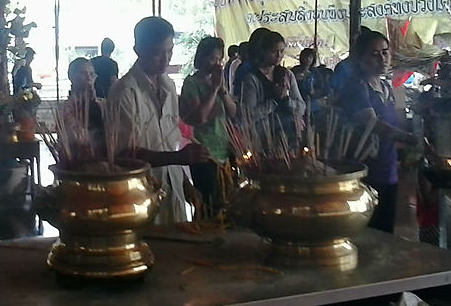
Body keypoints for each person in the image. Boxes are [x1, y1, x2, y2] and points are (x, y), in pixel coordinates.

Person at [107, 17, 210, 224]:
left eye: (169, 51)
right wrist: (177, 157)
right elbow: (124, 155)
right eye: (157, 53)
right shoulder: (124, 92)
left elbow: (169, 141)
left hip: (173, 191)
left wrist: (186, 185)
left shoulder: (169, 86)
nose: (165, 59)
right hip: (140, 197)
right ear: (138, 50)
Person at [335, 29, 416, 234]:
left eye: (385, 52)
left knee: (386, 228)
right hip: (364, 169)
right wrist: (410, 139)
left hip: (387, 167)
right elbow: (373, 124)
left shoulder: (386, 87)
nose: (382, 58)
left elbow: (397, 121)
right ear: (359, 59)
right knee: (367, 230)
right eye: (374, 54)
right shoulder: (356, 88)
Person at [179, 36, 237, 218]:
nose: (216, 64)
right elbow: (200, 117)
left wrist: (222, 90)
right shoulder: (191, 83)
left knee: (226, 203)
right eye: (212, 58)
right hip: (203, 151)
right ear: (201, 58)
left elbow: (233, 111)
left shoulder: (218, 83)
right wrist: (213, 90)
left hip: (223, 150)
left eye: (219, 59)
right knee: (207, 204)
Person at [237, 29, 305, 146]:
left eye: (282, 51)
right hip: (263, 136)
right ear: (264, 51)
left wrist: (286, 100)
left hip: (289, 134)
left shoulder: (287, 75)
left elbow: (301, 107)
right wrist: (274, 102)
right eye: (274, 51)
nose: (279, 56)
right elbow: (248, 115)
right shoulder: (252, 79)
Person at [60, 57, 106, 160]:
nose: (88, 78)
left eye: (91, 74)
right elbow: (74, 137)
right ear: (71, 77)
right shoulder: (66, 108)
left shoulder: (103, 105)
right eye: (83, 73)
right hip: (76, 161)